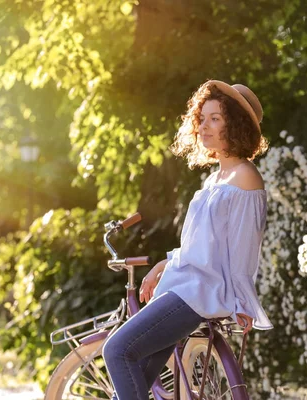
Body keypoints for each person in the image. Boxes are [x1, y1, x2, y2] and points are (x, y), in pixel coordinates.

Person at [102, 80, 273, 400]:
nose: (203, 126)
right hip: (182, 286)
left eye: (215, 119)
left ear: (235, 126)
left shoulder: (246, 178)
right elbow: (202, 246)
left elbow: (242, 251)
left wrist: (242, 302)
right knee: (135, 376)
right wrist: (162, 265)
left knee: (117, 351)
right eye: (202, 117)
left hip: (197, 293)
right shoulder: (216, 177)